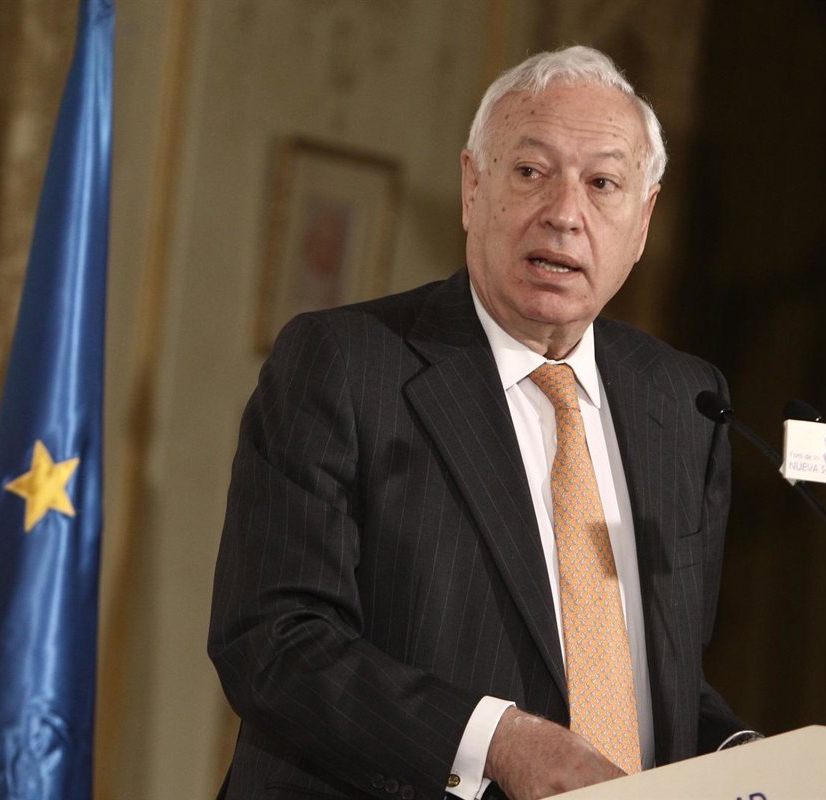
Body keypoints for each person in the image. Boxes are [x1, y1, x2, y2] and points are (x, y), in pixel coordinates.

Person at [208, 46, 757, 800]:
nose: (564, 214)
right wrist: (496, 741)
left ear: (644, 220)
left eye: (602, 184)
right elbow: (274, 639)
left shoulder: (685, 400)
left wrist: (745, 757)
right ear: (473, 188)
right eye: (530, 172)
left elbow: (652, 677)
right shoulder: (344, 364)